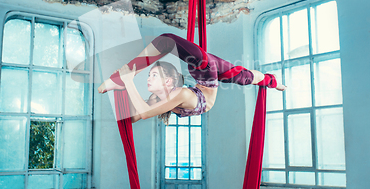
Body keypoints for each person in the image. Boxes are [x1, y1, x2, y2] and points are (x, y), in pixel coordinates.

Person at [98, 33, 286, 123]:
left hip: (207, 79)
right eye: (153, 75)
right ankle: (117, 78)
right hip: (205, 74)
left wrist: (125, 93)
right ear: (169, 82)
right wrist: (127, 80)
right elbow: (144, 113)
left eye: (152, 75)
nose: (148, 80)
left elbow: (136, 116)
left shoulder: (167, 98)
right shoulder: (181, 94)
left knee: (244, 77)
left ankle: (272, 80)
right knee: (166, 41)